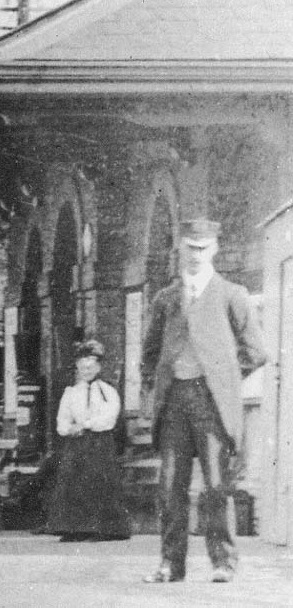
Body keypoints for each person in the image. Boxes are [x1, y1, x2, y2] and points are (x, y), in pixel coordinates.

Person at [141, 218, 267, 584]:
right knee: (170, 486)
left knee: (215, 485)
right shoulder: (165, 299)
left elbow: (256, 351)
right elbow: (149, 353)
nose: (195, 255)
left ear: (214, 249)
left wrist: (224, 377)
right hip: (174, 402)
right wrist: (157, 383)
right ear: (180, 249)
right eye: (189, 248)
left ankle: (223, 562)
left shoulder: (231, 295)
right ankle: (170, 564)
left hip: (212, 402)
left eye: (203, 248)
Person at [44, 339, 131, 542]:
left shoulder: (107, 392)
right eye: (83, 367)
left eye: (91, 367)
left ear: (98, 368)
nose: (87, 371)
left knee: (98, 480)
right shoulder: (72, 393)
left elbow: (109, 418)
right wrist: (68, 429)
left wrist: (86, 424)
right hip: (77, 443)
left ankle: (104, 529)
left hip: (100, 442)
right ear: (77, 368)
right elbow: (62, 419)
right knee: (71, 480)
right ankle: (75, 528)